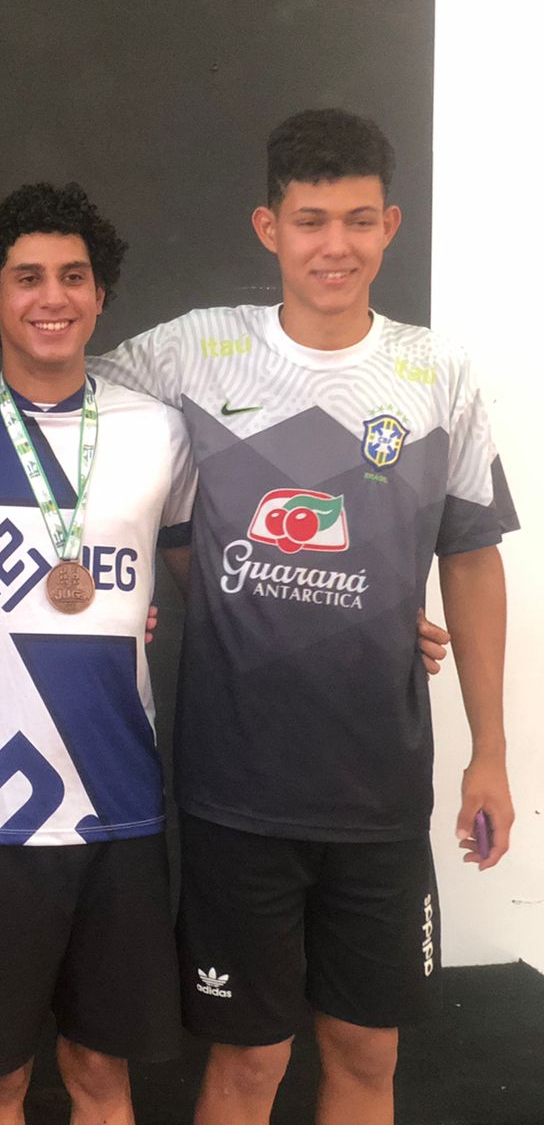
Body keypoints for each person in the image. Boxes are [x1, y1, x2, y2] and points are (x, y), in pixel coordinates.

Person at [91, 108, 518, 1125]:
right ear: (268, 227)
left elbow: (469, 558)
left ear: (390, 226)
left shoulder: (438, 373)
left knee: (368, 1055)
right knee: (248, 1064)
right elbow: (51, 396)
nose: (336, 246)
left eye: (359, 221)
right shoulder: (195, 352)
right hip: (237, 793)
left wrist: (491, 752)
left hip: (379, 795)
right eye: (311, 221)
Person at [0, 182, 194, 1125]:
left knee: (103, 1076)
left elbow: (209, 577)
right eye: (27, 278)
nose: (52, 297)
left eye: (73, 277)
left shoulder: (157, 432)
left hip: (119, 803)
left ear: (100, 296)